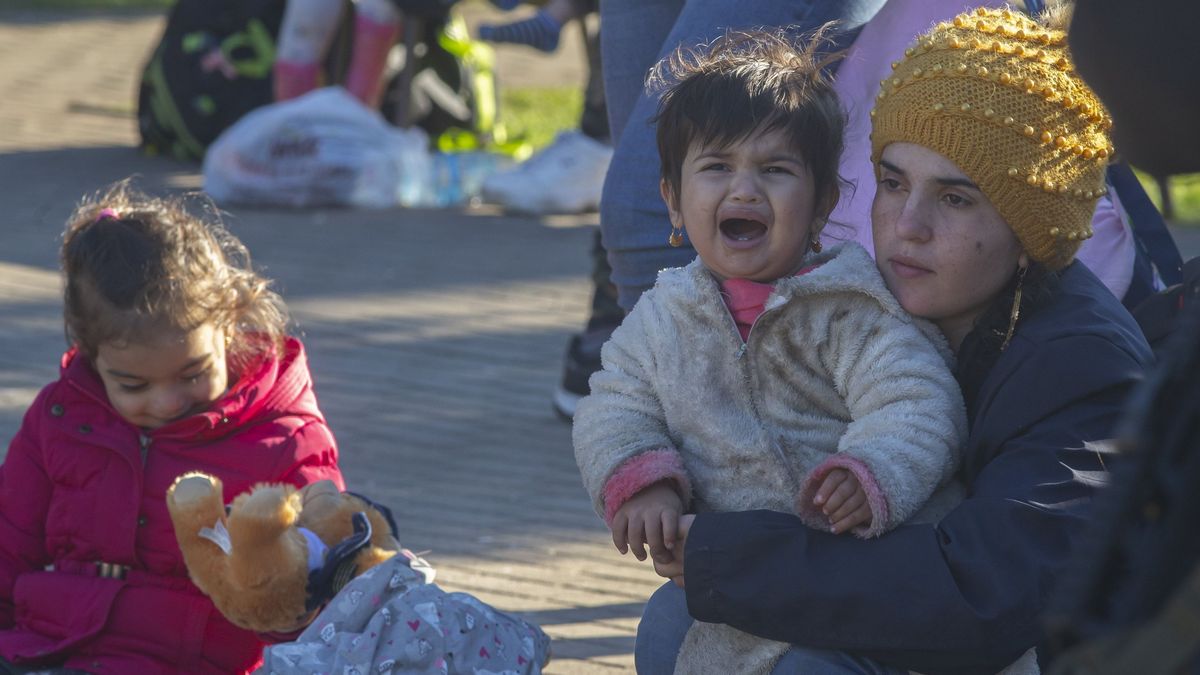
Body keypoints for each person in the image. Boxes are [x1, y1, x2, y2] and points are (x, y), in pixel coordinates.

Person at [638, 8, 1154, 674]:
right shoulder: (880, 305)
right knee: (674, 622)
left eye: (956, 198)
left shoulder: (1084, 367)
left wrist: (732, 557)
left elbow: (982, 593)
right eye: (891, 182)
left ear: (1029, 226)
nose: (906, 226)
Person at [573, 27, 968, 675]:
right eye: (717, 167)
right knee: (661, 629)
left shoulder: (850, 307)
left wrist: (870, 474)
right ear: (673, 199)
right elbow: (613, 403)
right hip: (746, 572)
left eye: (775, 170)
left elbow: (919, 403)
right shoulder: (666, 314)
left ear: (822, 206)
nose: (744, 190)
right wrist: (643, 480)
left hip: (859, 578)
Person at [0, 183, 346, 674]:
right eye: (132, 384)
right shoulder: (62, 416)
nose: (166, 402)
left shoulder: (283, 439)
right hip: (50, 645)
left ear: (228, 324)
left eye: (193, 374)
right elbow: (8, 541)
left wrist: (279, 586)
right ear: (92, 356)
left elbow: (321, 590)